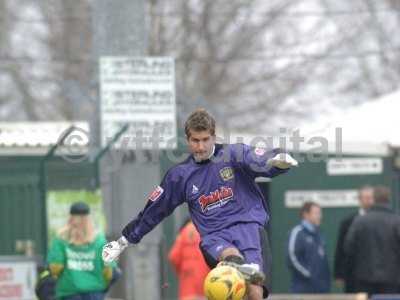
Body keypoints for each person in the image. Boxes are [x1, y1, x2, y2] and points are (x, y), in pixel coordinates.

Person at [102, 108, 298, 300]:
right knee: (227, 255)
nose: (201, 146)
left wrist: (277, 161)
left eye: (205, 139)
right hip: (215, 237)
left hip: (249, 229)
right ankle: (235, 263)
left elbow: (260, 159)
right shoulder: (181, 176)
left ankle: (243, 269)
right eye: (195, 141)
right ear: (188, 140)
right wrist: (123, 241)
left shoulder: (233, 154)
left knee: (255, 293)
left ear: (214, 137)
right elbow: (153, 211)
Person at [47, 202, 118, 300]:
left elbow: (56, 267)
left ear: (70, 218)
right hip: (95, 293)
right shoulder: (100, 241)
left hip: (69, 293)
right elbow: (108, 271)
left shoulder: (61, 240)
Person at [344, 186, 400, 296]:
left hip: (364, 278)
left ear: (373, 199)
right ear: (388, 199)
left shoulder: (360, 221)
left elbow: (348, 247)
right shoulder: (396, 221)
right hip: (392, 278)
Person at [334, 185, 374, 293]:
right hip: (353, 275)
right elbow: (340, 248)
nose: (369, 201)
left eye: (371, 198)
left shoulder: (379, 221)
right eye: (366, 198)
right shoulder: (348, 222)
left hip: (375, 275)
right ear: (360, 200)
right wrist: (339, 274)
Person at [287, 201, 330, 293]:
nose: (319, 216)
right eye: (316, 213)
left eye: (320, 213)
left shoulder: (319, 234)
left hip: (321, 289)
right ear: (306, 214)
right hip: (303, 289)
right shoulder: (297, 232)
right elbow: (292, 258)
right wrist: (308, 274)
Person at [168, 218, 210, 300]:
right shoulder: (207, 230)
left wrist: (182, 272)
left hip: (188, 290)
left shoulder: (184, 232)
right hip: (206, 287)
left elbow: (173, 256)